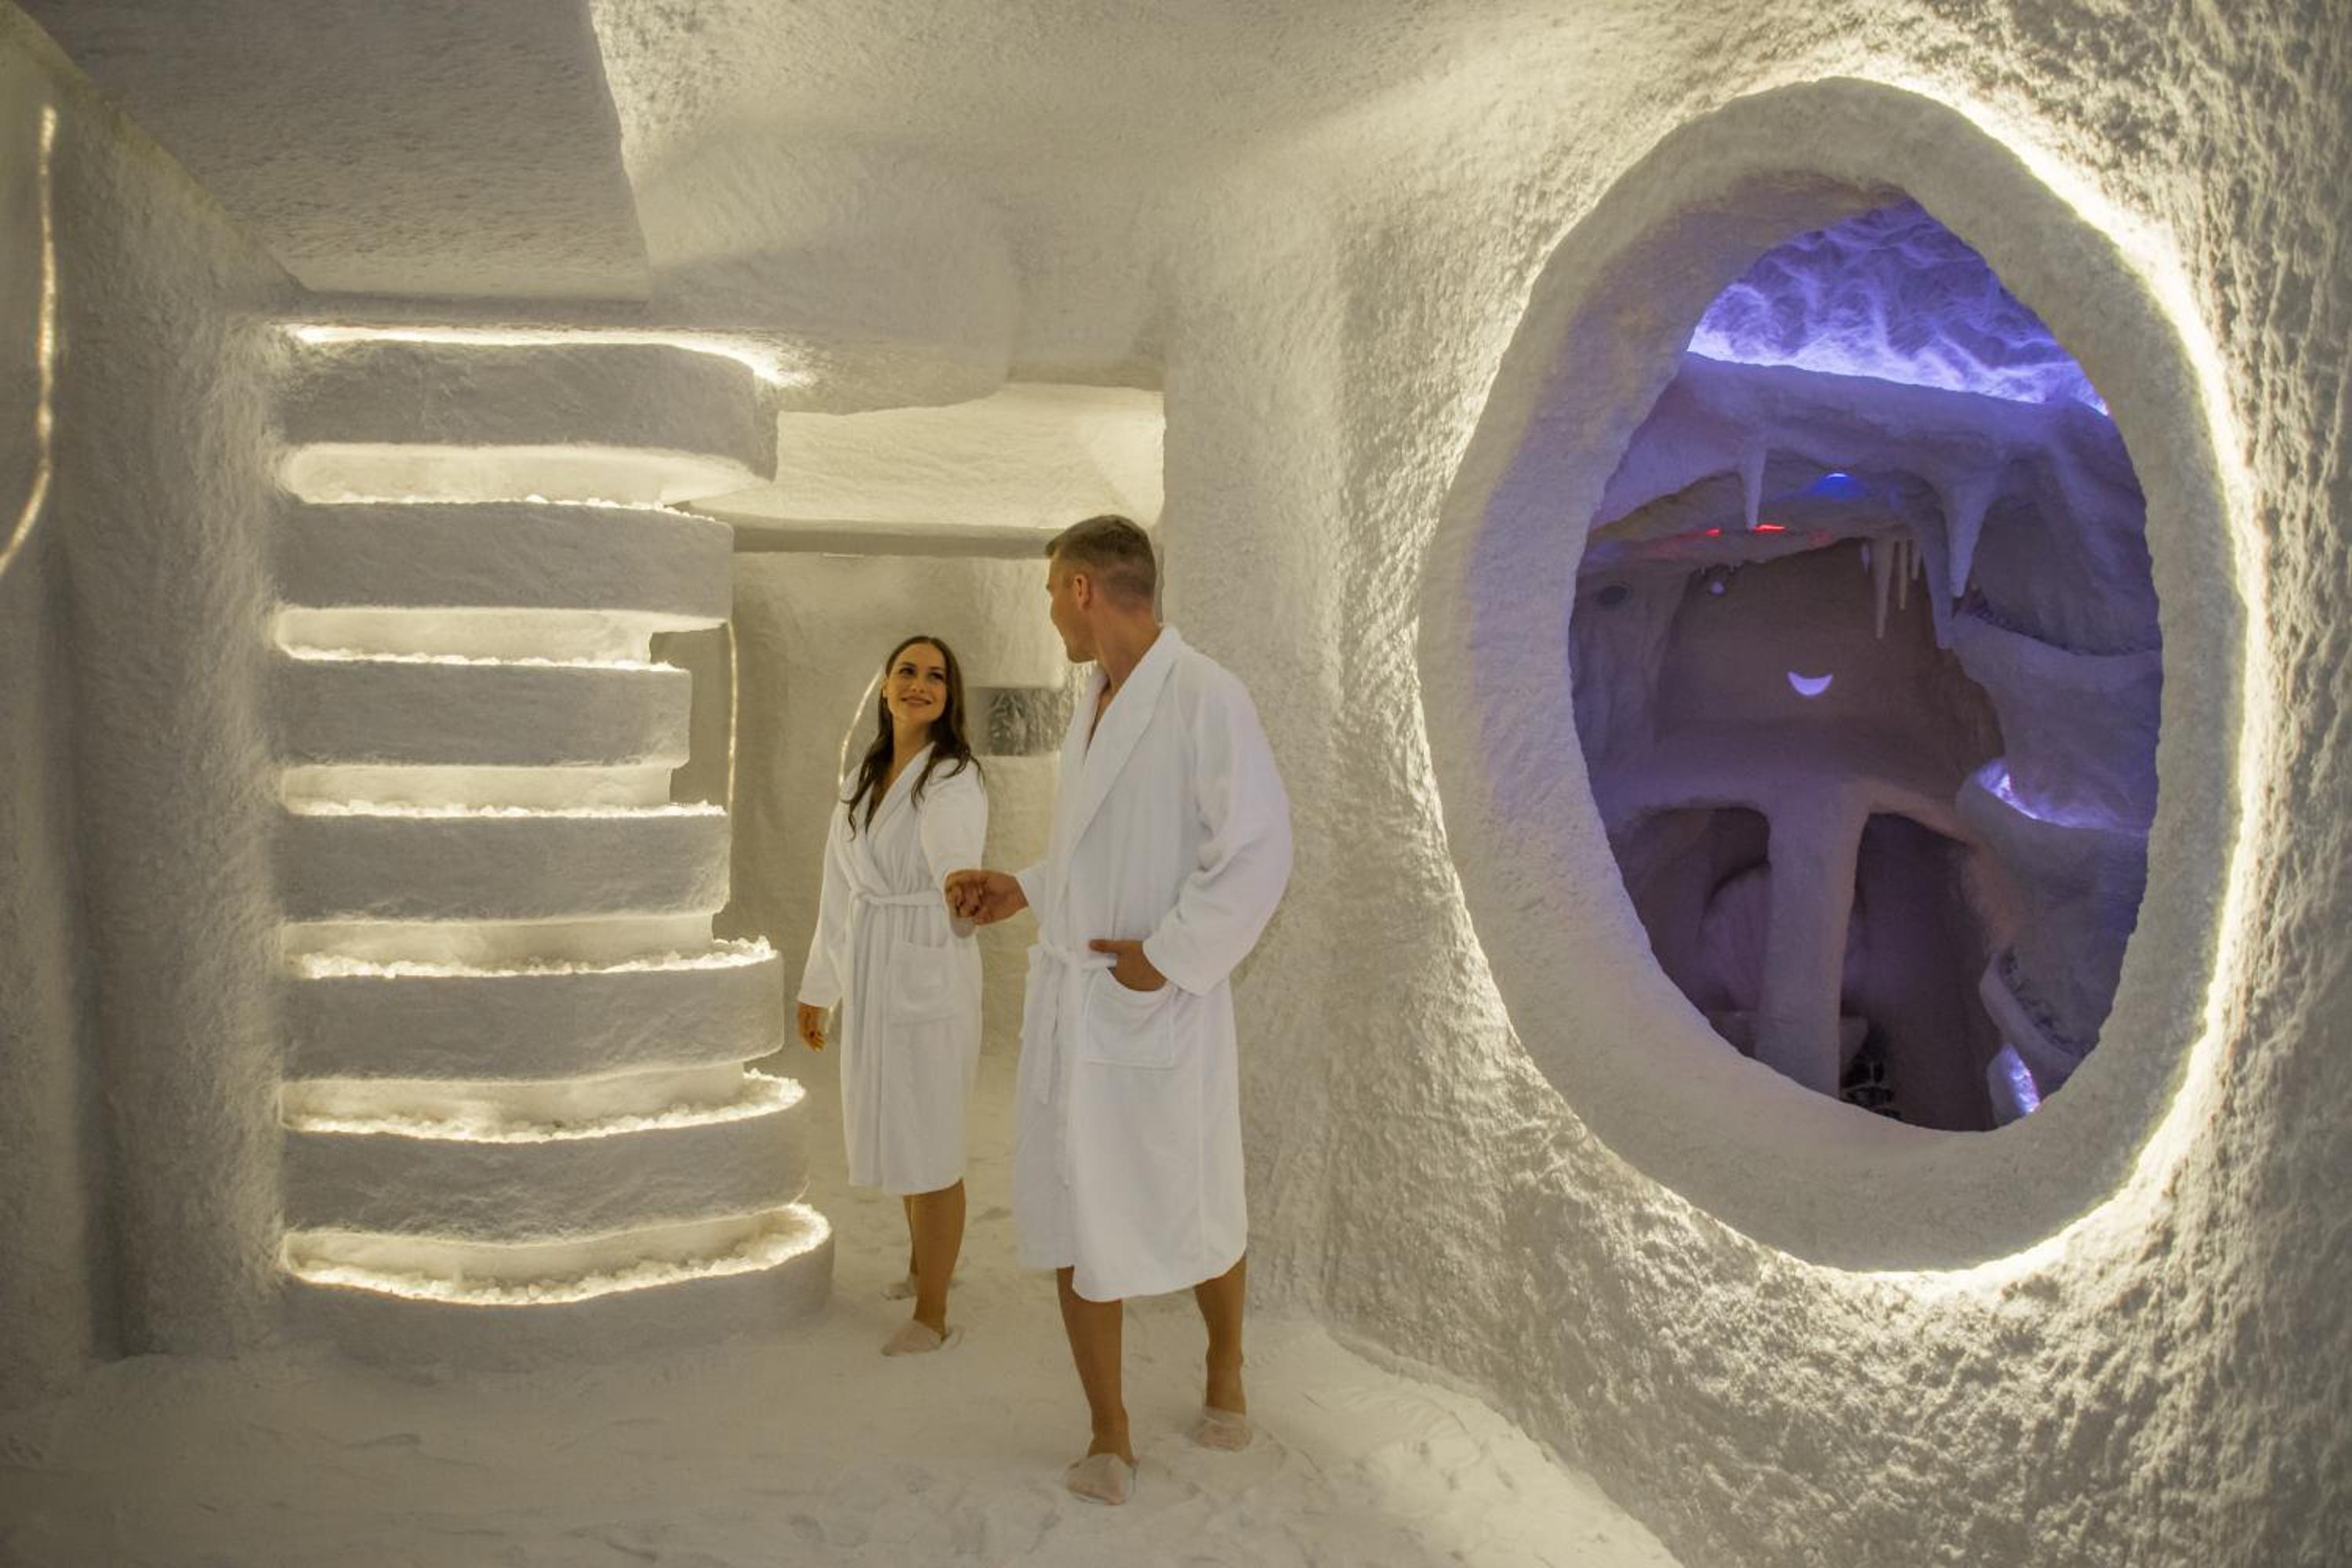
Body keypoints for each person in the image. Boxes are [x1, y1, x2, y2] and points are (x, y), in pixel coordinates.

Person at [947, 515, 1292, 1505]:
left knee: (1198, 1189)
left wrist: (1168, 960)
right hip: (1079, 1003)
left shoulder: (1206, 695)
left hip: (1156, 1003)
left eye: (1052, 592)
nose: (1052, 613)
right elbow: (1097, 850)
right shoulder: (1094, 701)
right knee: (1071, 1205)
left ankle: (1225, 1366)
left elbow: (1260, 848)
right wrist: (1024, 887)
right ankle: (1109, 1431)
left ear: (1083, 587)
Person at [797, 634, 987, 1356]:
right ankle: (919, 1268)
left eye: (936, 676)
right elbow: (838, 891)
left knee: (931, 1136)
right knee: (904, 1124)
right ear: (884, 687)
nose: (920, 684)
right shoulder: (862, 779)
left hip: (926, 955)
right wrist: (821, 987)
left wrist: (956, 879)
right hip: (877, 961)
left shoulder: (954, 775)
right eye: (907, 671)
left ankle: (932, 1315)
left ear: (949, 696)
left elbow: (951, 847)